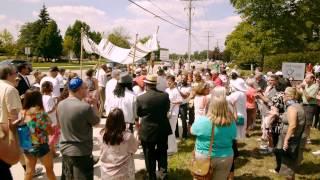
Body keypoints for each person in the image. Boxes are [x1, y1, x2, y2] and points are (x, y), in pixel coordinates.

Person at [58, 77, 100, 180]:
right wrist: (94, 104)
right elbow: (97, 122)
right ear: (80, 89)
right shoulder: (84, 107)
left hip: (65, 149)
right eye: (86, 88)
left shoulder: (60, 104)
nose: (88, 90)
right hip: (81, 152)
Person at [191, 86, 237, 180]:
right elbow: (233, 137)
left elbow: (192, 131)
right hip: (225, 157)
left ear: (211, 106)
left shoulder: (202, 121)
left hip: (204, 155)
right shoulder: (231, 123)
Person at [136, 74, 171, 180]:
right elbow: (166, 109)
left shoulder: (141, 98)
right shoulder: (165, 96)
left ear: (146, 84)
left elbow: (139, 114)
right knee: (162, 153)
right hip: (162, 128)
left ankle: (152, 176)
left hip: (148, 130)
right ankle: (162, 175)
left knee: (149, 154)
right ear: (155, 84)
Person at [20, 89, 56, 180]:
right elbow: (50, 131)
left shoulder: (22, 112)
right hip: (41, 145)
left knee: (29, 171)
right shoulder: (40, 114)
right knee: (49, 170)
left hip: (27, 145)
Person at [99, 108, 139, 180]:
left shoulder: (102, 135)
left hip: (106, 173)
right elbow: (134, 149)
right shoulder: (127, 136)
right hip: (123, 173)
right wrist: (137, 133)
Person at [275, 87, 306, 179]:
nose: (283, 95)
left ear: (290, 96)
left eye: (284, 94)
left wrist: (286, 140)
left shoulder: (292, 108)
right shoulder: (297, 105)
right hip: (294, 137)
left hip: (290, 138)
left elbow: (292, 125)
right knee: (289, 164)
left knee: (288, 165)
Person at [0, 65, 23, 179]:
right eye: (15, 73)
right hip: (7, 132)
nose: (17, 76)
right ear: (9, 75)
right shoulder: (10, 89)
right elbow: (14, 115)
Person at [297, 73, 319, 143]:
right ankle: (305, 137)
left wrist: (303, 89)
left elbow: (308, 98)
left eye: (307, 78)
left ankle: (307, 138)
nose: (305, 80)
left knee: (307, 123)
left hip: (310, 106)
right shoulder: (306, 85)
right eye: (305, 78)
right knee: (302, 122)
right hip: (304, 104)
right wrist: (297, 88)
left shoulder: (315, 86)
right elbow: (301, 94)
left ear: (312, 79)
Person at [41, 81, 60, 157]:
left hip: (47, 120)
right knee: (52, 137)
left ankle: (53, 152)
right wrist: (56, 106)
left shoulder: (42, 97)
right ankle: (52, 153)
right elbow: (48, 111)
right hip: (51, 120)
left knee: (50, 137)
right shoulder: (49, 98)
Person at [165, 75, 183, 154]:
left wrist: (172, 102)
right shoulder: (166, 90)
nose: (168, 82)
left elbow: (180, 100)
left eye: (170, 81)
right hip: (167, 112)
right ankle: (170, 147)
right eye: (167, 81)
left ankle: (172, 149)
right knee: (167, 131)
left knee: (171, 130)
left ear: (173, 82)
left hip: (174, 113)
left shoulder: (176, 90)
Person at [228, 73, 247, 139]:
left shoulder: (237, 94)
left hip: (237, 115)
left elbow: (227, 99)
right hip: (241, 114)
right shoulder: (242, 93)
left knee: (235, 133)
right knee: (238, 133)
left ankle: (234, 147)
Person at [177, 73, 192, 139]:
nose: (183, 79)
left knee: (183, 120)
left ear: (186, 79)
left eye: (184, 78)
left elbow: (185, 96)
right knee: (175, 120)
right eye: (182, 78)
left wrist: (177, 90)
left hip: (183, 105)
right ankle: (176, 134)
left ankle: (184, 135)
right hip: (177, 105)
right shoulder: (178, 85)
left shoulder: (189, 87)